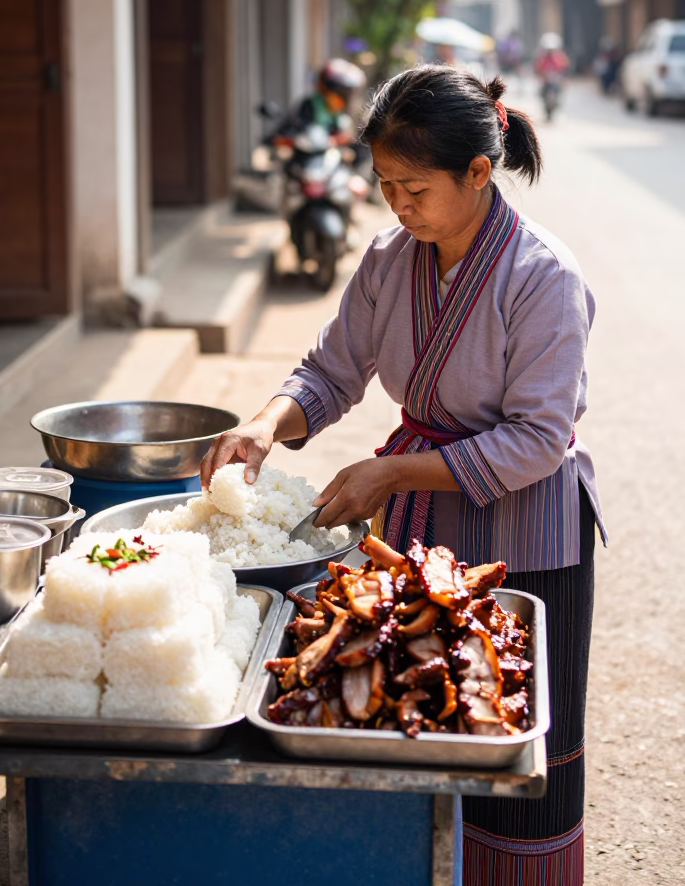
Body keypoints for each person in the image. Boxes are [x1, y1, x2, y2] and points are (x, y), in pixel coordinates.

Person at [203, 64, 606, 885]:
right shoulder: (391, 259)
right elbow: (329, 373)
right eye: (385, 184)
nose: (396, 205)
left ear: (478, 172)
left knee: (504, 733)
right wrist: (263, 425)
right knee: (412, 711)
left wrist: (389, 475)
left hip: (528, 532)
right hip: (423, 519)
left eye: (414, 187)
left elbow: (537, 439)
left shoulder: (544, 276)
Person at [279, 58, 366, 144]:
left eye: (347, 93)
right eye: (341, 92)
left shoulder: (349, 115)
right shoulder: (309, 106)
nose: (342, 98)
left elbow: (357, 141)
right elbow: (288, 133)